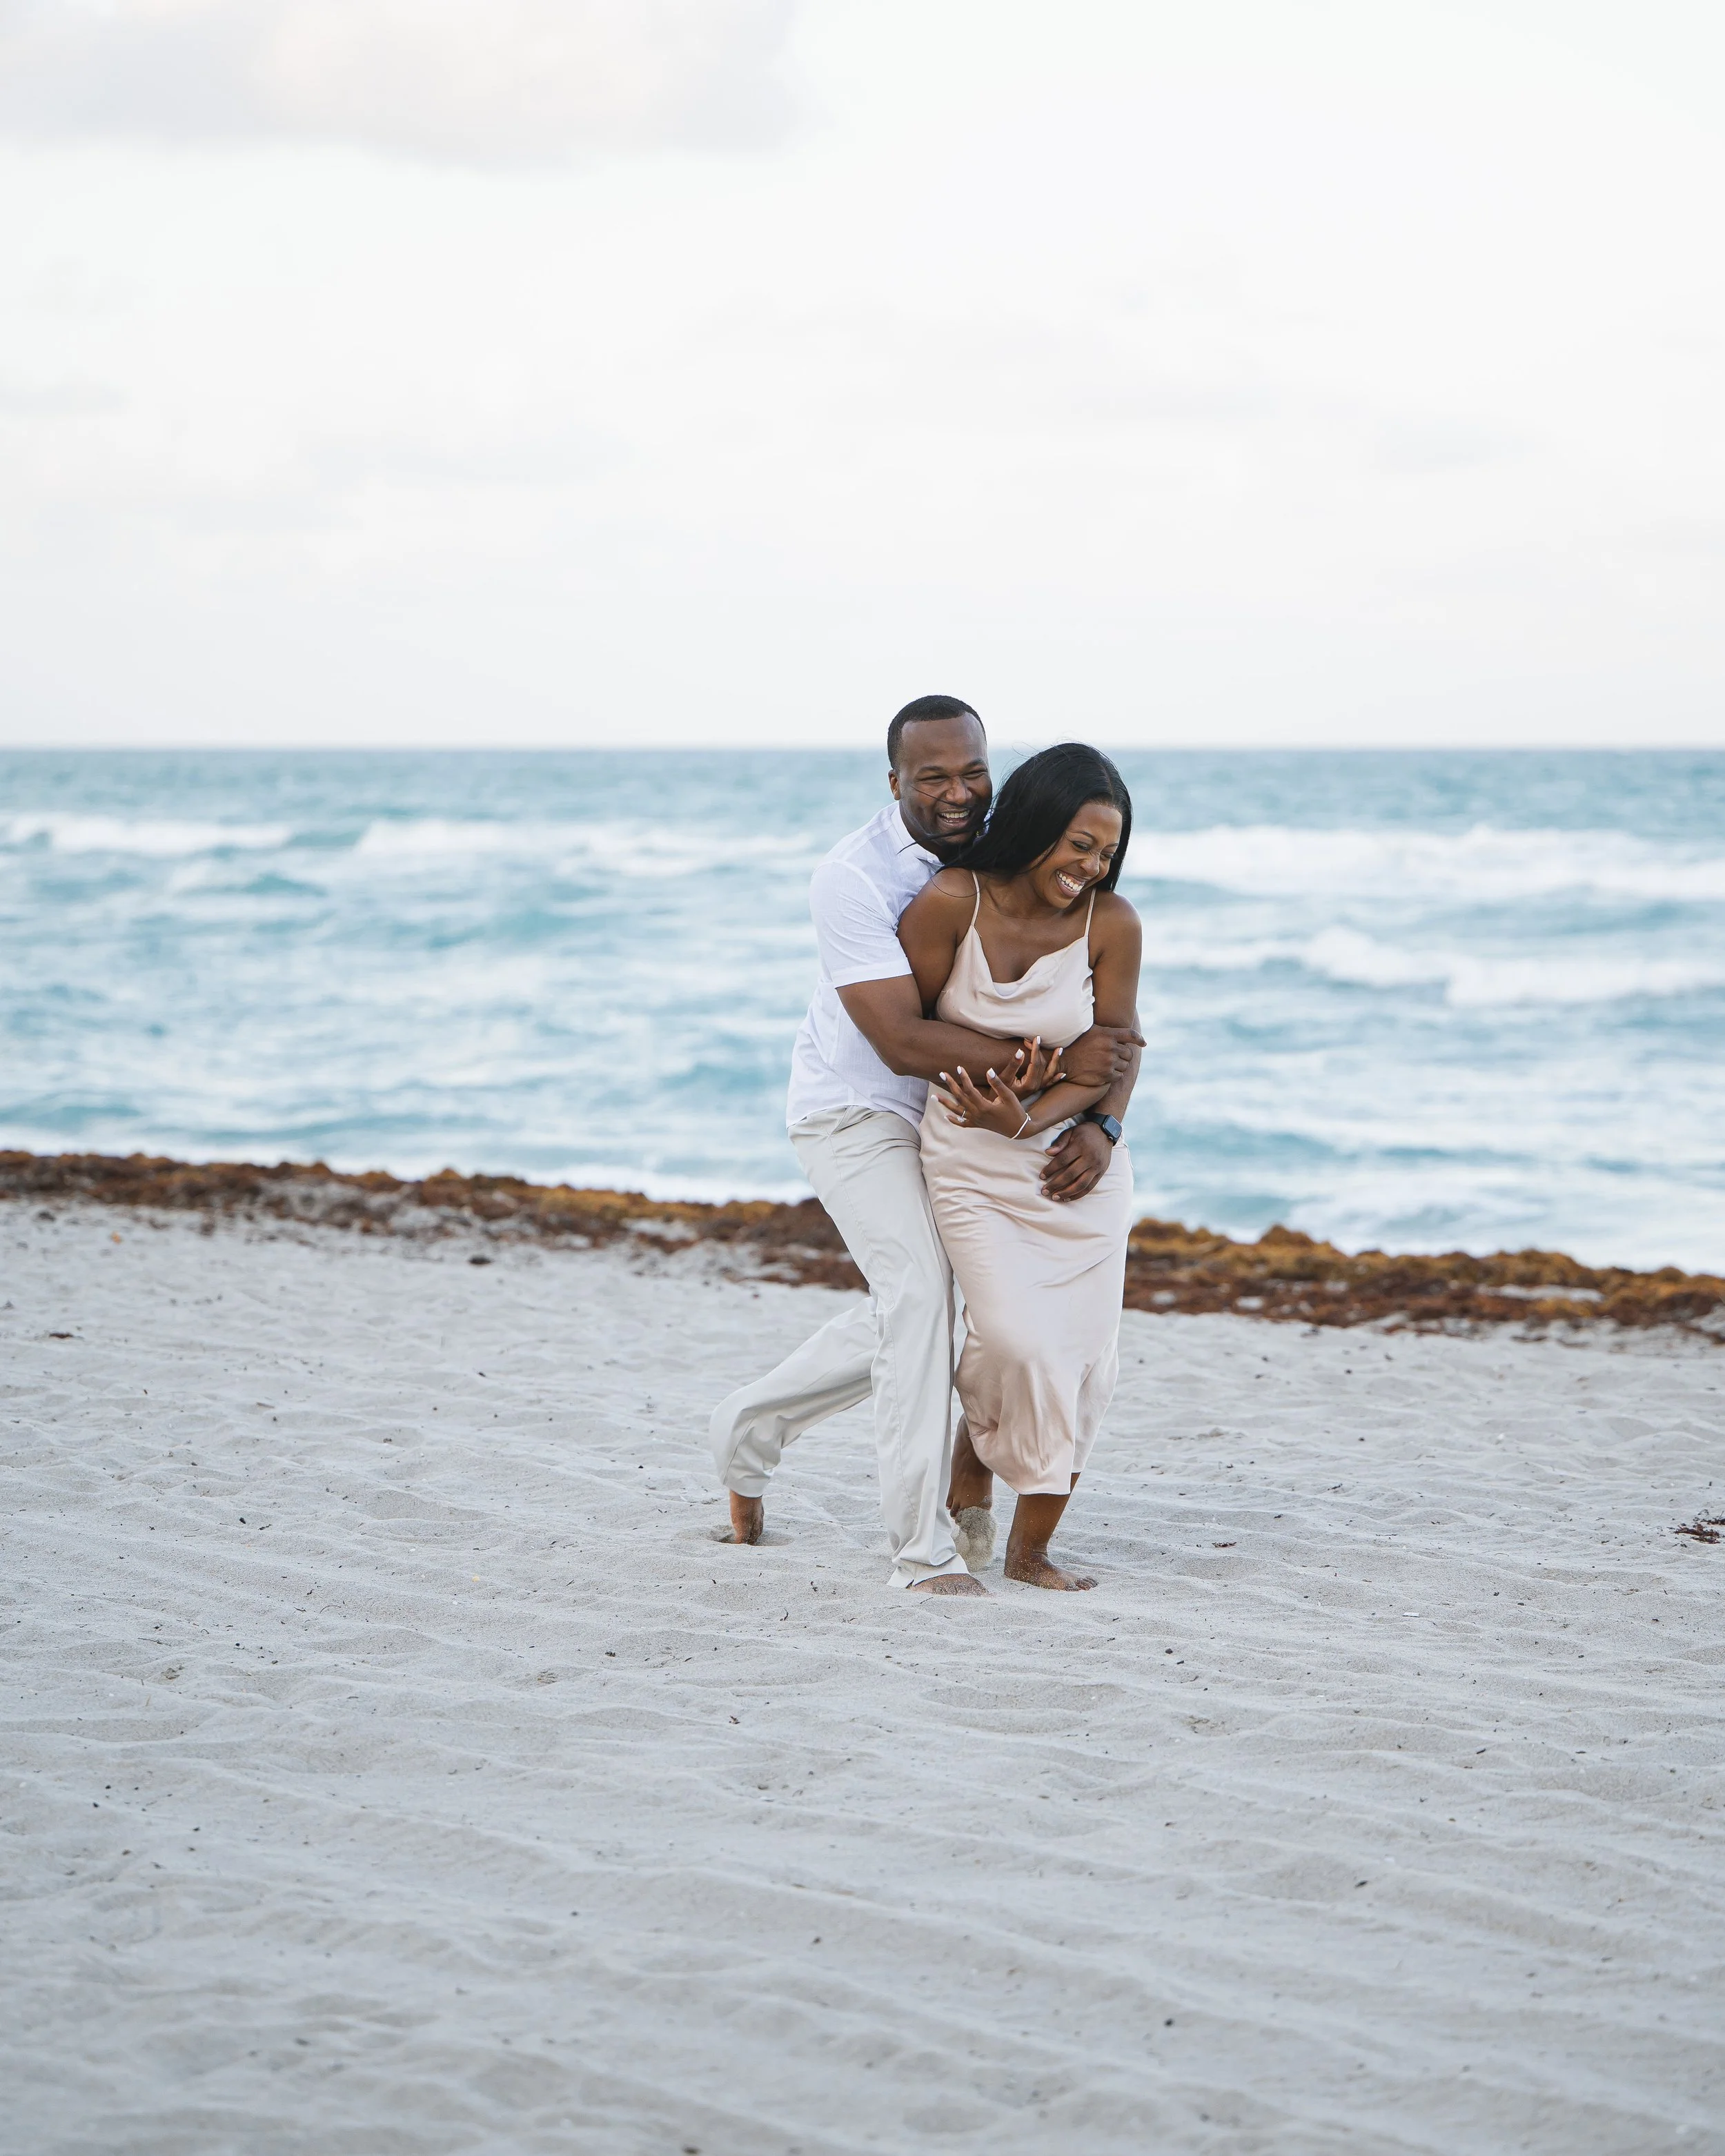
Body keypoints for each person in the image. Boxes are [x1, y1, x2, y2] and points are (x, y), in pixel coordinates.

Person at [709, 698, 1142, 1593]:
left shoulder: (1003, 846)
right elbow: (899, 1042)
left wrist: (1096, 1116)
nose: (957, 794)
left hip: (964, 1124)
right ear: (895, 781)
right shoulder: (852, 878)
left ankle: (746, 1429)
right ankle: (920, 1548)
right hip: (857, 1108)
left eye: (972, 772)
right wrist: (1060, 1064)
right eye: (933, 777)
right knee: (918, 1298)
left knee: (928, 1310)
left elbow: (1094, 996)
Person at [898, 744, 1141, 1590]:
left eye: (1106, 851)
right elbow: (909, 1034)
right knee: (1010, 1338)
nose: (1091, 866)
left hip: (1074, 1165)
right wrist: (1013, 1074)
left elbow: (1121, 1044)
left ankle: (1029, 1549)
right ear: (1037, 823)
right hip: (970, 1157)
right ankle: (978, 1453)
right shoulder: (947, 903)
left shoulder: (1110, 922)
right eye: (1080, 843)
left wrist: (1101, 1127)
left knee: (1079, 1359)